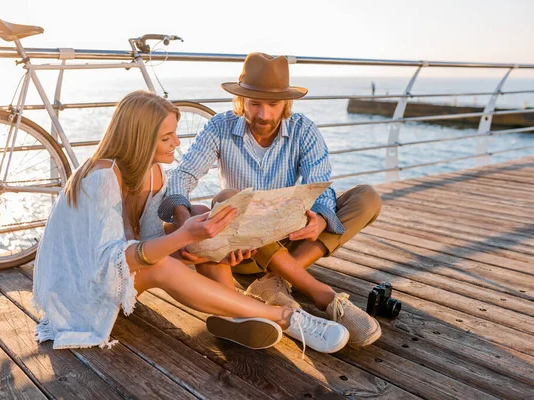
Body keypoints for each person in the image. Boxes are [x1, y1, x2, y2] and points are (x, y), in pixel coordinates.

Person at [32, 90, 349, 356]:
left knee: (202, 213)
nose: (177, 144)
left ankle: (237, 314)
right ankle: (285, 316)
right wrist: (185, 237)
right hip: (79, 296)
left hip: (115, 277)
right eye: (167, 137)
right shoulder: (102, 178)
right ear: (140, 139)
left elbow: (152, 241)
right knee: (166, 261)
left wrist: (212, 246)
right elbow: (118, 259)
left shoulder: (154, 174)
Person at [158, 53, 383, 347]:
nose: (263, 115)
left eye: (273, 105)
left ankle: (279, 280)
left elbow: (321, 185)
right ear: (241, 101)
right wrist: (186, 226)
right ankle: (318, 292)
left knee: (367, 197)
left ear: (286, 104)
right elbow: (182, 175)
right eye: (254, 104)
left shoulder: (304, 129)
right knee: (228, 198)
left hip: (289, 238)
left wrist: (321, 219)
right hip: (241, 251)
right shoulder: (219, 127)